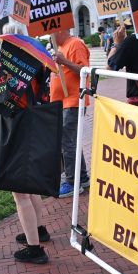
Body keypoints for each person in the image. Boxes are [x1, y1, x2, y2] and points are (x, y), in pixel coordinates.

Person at [0, 9, 51, 264]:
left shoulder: (6, 71)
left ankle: (34, 248)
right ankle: (38, 230)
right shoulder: (36, 67)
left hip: (14, 130)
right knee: (29, 187)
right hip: (30, 127)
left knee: (19, 193)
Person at [50, 28, 90, 198]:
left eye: (51, 33)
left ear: (60, 30)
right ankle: (82, 178)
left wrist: (64, 61)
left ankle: (73, 182)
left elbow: (84, 71)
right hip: (65, 102)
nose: (50, 37)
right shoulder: (62, 47)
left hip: (73, 100)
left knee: (67, 141)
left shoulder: (75, 44)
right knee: (71, 141)